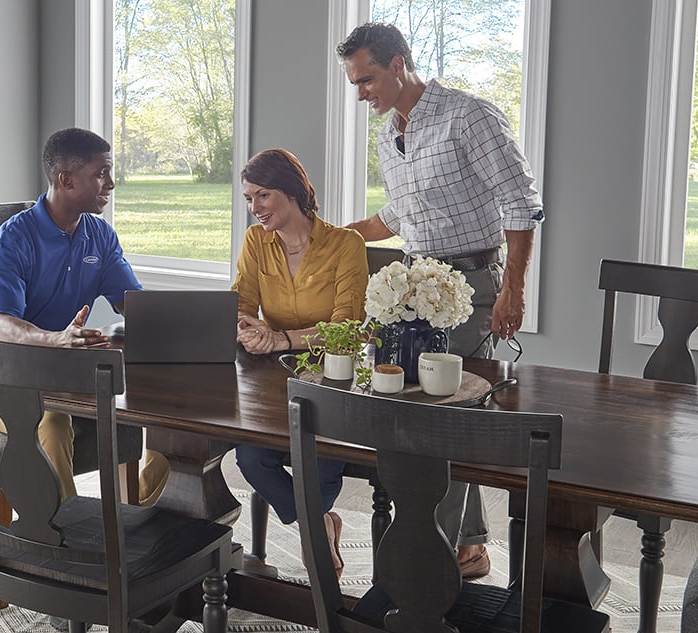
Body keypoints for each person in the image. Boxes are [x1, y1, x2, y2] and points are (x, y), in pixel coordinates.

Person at [337, 22, 545, 578]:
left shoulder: (468, 116)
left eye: (368, 80)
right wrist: (335, 236)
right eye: (355, 84)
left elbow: (522, 205)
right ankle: (469, 546)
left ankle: (430, 561)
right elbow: (398, 216)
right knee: (421, 411)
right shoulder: (390, 135)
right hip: (413, 285)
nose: (362, 94)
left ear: (400, 63)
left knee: (442, 417)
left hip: (472, 285)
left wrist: (513, 290)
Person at [0, 127, 164, 507]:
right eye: (101, 173)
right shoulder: (9, 243)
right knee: (53, 421)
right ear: (66, 179)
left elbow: (132, 303)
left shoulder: (100, 236)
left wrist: (182, 325)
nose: (110, 183)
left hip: (69, 374)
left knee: (163, 398)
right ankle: (68, 536)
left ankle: (141, 511)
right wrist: (56, 339)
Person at [231, 148, 368, 578]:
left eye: (264, 196)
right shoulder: (257, 242)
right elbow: (240, 304)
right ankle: (318, 525)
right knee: (250, 458)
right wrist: (246, 327)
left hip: (334, 379)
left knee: (321, 462)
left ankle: (313, 527)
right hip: (271, 380)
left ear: (292, 192)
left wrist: (282, 338)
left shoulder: (346, 245)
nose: (255, 209)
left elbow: (350, 329)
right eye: (249, 198)